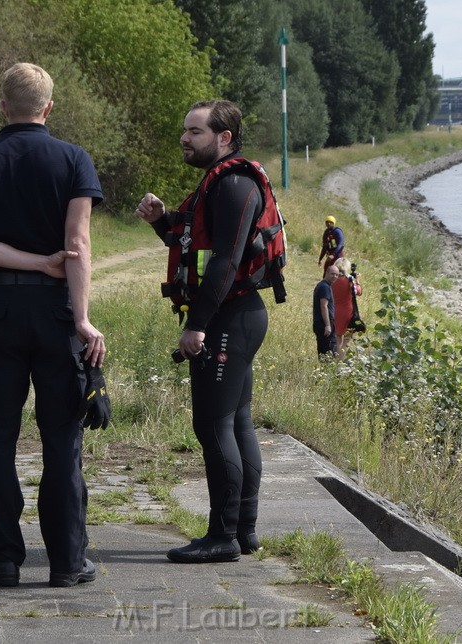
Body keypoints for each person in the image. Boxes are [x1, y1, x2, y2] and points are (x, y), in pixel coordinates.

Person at [0, 62, 107, 589]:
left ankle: (4, 559)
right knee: (61, 438)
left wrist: (27, 262)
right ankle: (65, 562)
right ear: (49, 107)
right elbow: (78, 245)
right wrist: (81, 317)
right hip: (56, 312)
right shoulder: (73, 160)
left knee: (0, 435)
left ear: (2, 106)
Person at [135, 99, 271, 564]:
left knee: (213, 425)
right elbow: (194, 242)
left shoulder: (233, 185)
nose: (184, 138)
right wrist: (160, 222)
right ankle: (243, 530)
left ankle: (223, 536)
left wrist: (197, 325)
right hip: (236, 315)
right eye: (185, 130)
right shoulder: (219, 183)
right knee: (236, 423)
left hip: (230, 317)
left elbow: (226, 262)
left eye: (194, 131)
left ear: (224, 137)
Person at [331, 257, 363, 355]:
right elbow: (358, 291)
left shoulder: (332, 280)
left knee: (337, 337)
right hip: (347, 313)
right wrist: (357, 281)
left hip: (334, 311)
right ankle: (339, 360)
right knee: (347, 338)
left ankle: (333, 357)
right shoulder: (349, 281)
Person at [314, 265, 341, 358]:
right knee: (329, 353)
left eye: (337, 275)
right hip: (323, 324)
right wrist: (328, 325)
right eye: (332, 274)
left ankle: (324, 370)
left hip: (321, 323)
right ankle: (327, 370)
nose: (335, 277)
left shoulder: (324, 285)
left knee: (323, 353)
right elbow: (324, 306)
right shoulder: (324, 287)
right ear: (327, 273)